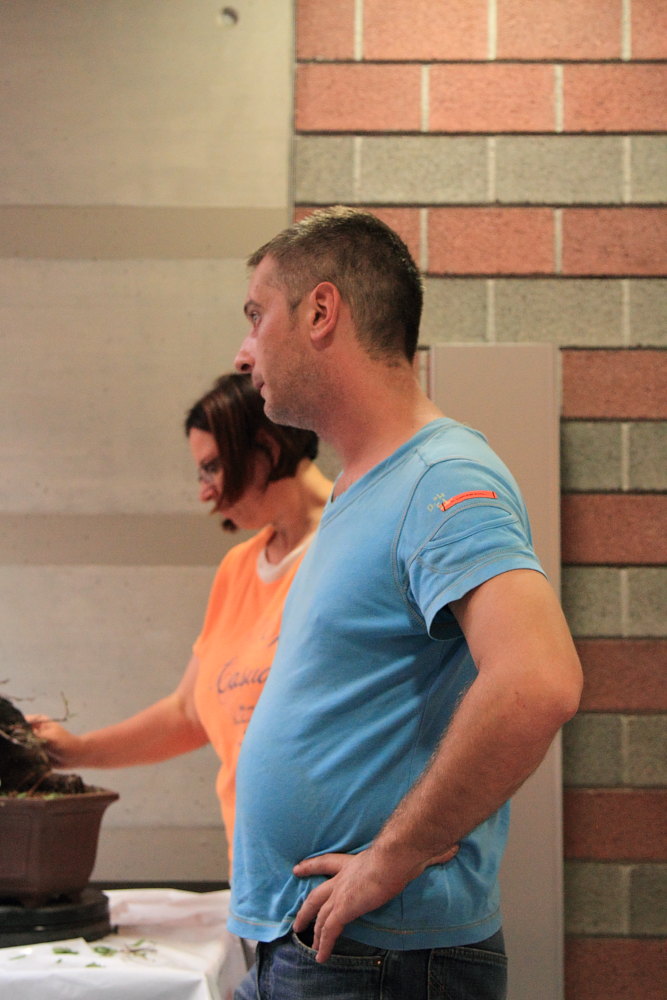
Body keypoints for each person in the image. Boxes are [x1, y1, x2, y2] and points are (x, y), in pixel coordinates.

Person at [229, 206, 583, 1000]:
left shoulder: (441, 477)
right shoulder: (361, 487)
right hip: (318, 943)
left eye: (256, 315)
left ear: (320, 311)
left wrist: (392, 857)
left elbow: (537, 681)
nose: (243, 351)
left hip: (378, 957)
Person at [29, 372, 332, 871]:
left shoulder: (350, 546)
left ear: (268, 447)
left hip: (338, 877)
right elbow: (189, 713)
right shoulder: (238, 568)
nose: (205, 493)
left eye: (213, 467)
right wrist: (76, 751)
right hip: (255, 875)